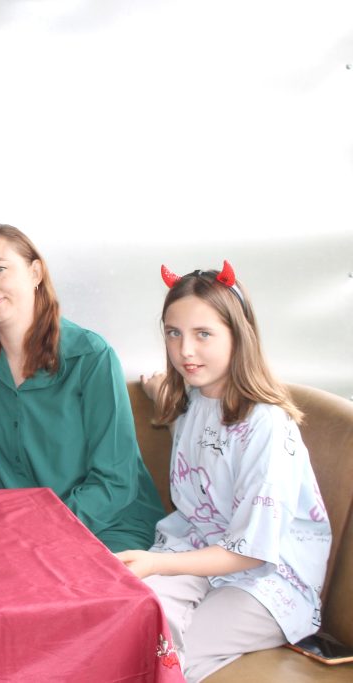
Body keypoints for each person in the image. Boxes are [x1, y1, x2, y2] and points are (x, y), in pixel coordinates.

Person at [115, 262, 331, 682]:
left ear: (238, 335)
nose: (185, 350)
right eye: (173, 333)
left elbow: (252, 550)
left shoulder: (267, 427)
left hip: (267, 579)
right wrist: (161, 393)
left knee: (165, 657)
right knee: (129, 624)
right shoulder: (196, 400)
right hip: (197, 551)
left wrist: (155, 564)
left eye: (203, 334)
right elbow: (202, 439)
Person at [0, 224, 164, 551]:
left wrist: (41, 528)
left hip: (107, 526)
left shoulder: (91, 357)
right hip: (17, 532)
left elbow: (115, 481)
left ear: (35, 272)